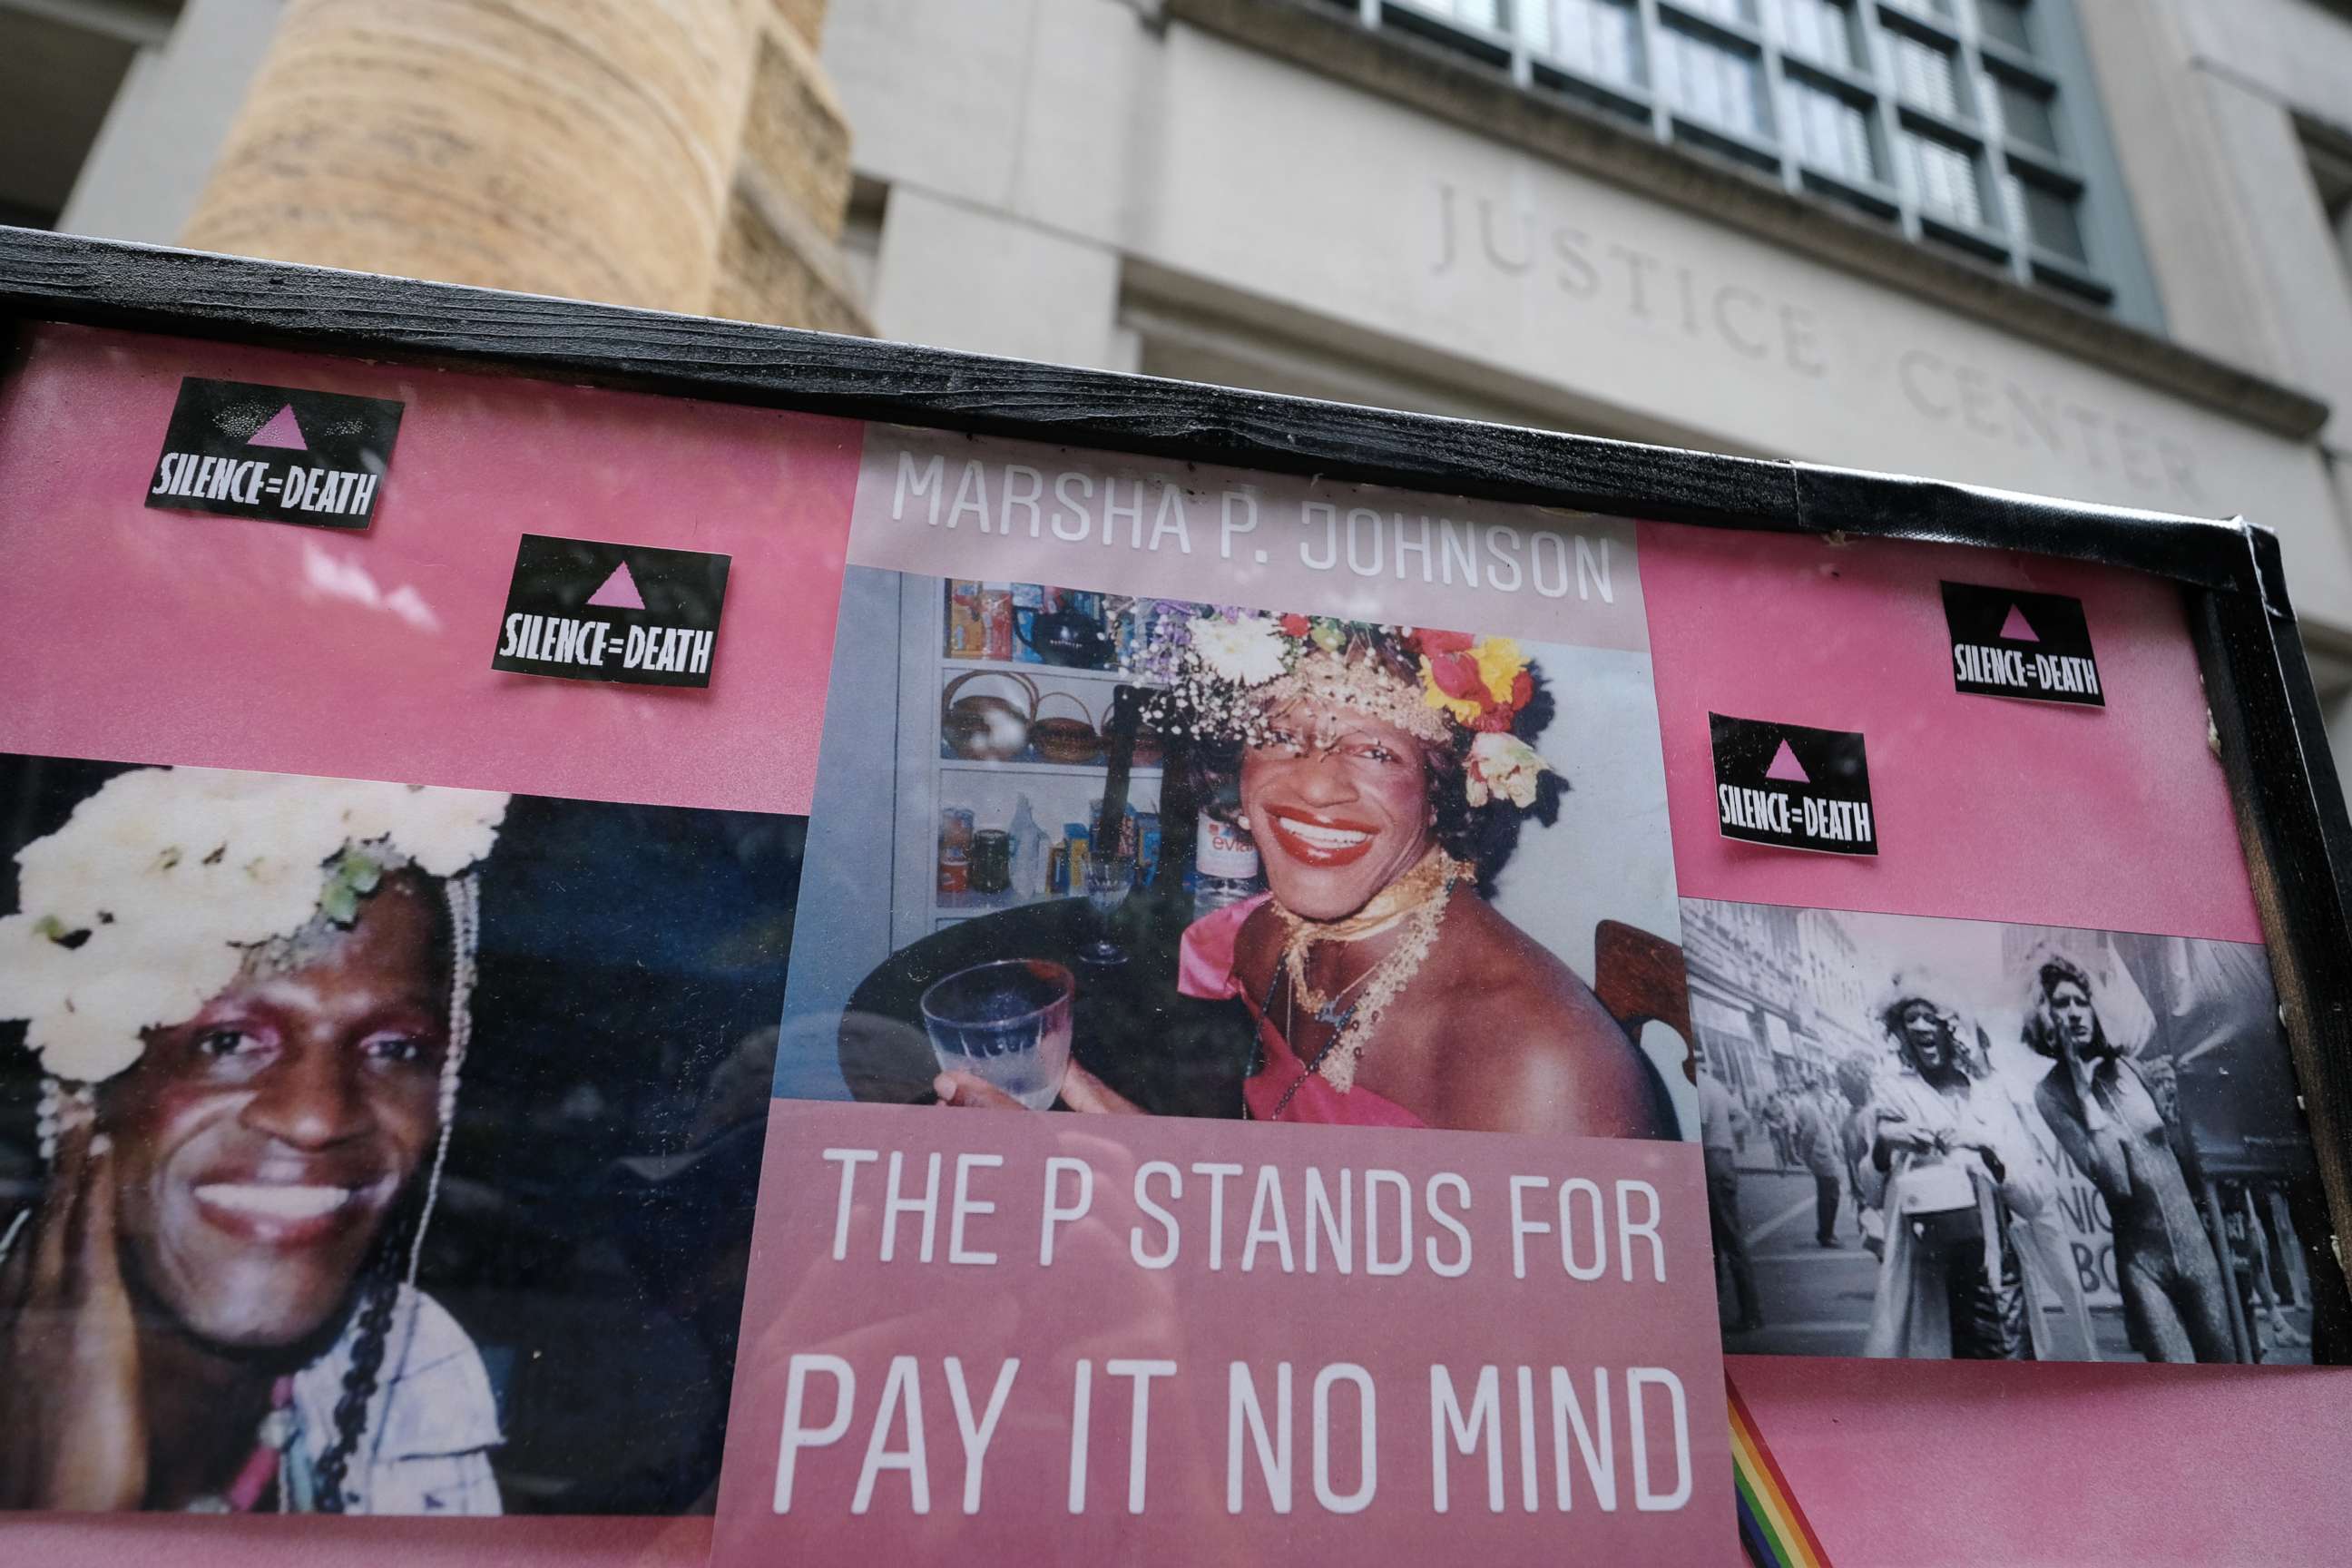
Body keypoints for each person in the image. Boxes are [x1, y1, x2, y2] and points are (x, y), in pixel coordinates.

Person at [936, 614, 1673, 1139]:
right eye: (1284, 737)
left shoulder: (1538, 1068)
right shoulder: (1267, 939)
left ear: (1444, 792)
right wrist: (1102, 1127)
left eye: (1376, 752)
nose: (1316, 788)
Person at [0, 766, 509, 1512]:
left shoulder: (409, 1374)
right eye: (230, 1040)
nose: (316, 1118)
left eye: (396, 1049)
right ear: (88, 1087)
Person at [2024, 951, 2237, 1363]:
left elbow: (2179, 1155)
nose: (2073, 1014)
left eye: (2080, 1002)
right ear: (2045, 1017)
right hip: (2143, 1267)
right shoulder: (2050, 1094)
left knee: (2227, 1376)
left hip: (2199, 1253)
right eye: (2061, 1004)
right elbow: (2116, 1181)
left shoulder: (2129, 1068)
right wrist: (2084, 1093)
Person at [1863, 975, 2053, 1360]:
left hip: (1994, 1274)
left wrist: (1989, 1154)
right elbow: (1870, 1190)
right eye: (1908, 1019)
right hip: (1929, 1272)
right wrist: (1884, 1147)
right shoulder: (1894, 1095)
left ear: (1952, 1027)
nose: (1918, 1027)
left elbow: (2034, 1199)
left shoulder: (1991, 1098)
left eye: (1929, 1017)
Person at [1698, 1044, 1761, 1332]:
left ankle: (1737, 1312)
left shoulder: (1696, 1087)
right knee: (1726, 1238)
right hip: (1722, 1158)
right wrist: (1726, 1137)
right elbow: (1743, 1118)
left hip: (1707, 1159)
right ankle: (1746, 1310)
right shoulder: (1715, 1084)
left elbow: (1696, 1125)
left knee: (1714, 1242)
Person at [1791, 1079, 1845, 1248]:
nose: (1823, 1092)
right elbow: (1809, 1132)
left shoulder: (1812, 1104)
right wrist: (1805, 1156)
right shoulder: (1808, 1106)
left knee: (1828, 1194)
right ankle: (1826, 1234)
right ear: (1814, 1088)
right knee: (1830, 1195)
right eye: (1821, 1088)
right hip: (1820, 1156)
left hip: (1824, 1154)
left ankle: (1826, 1232)